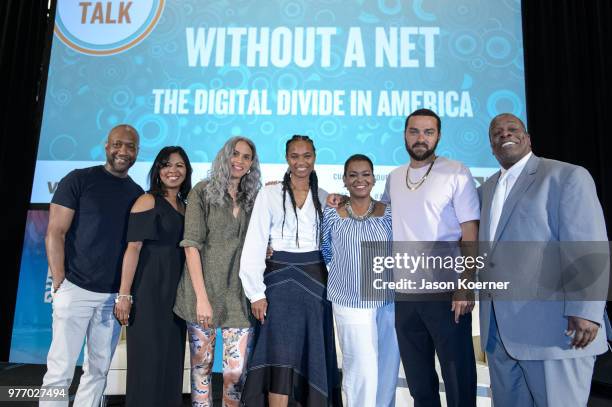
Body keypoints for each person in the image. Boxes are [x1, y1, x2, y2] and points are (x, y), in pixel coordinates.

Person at [330, 109, 479, 406]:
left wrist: (466, 284)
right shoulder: (396, 178)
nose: (420, 138)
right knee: (419, 382)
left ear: (438, 136)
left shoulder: (456, 171)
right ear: (405, 135)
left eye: (428, 132)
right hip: (404, 296)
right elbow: (372, 210)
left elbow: (470, 233)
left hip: (446, 293)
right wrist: (341, 198)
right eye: (414, 131)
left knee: (457, 376)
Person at [478, 113, 611, 407]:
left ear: (527, 139)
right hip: (500, 337)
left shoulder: (565, 176)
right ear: (491, 146)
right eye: (496, 133)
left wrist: (586, 309)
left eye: (512, 129)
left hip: (555, 332)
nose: (504, 134)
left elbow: (586, 244)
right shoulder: (486, 189)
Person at [41, 125, 143, 406]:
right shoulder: (78, 180)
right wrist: (61, 283)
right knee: (59, 371)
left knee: (98, 372)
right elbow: (55, 232)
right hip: (74, 289)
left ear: (137, 152)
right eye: (118, 144)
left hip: (111, 298)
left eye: (131, 146)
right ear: (107, 146)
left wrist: (122, 293)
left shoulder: (137, 193)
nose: (123, 151)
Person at [239, 135, 341, 407]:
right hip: (277, 286)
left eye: (306, 155)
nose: (301, 162)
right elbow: (255, 243)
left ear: (315, 157)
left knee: (313, 355)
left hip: (316, 286)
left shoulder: (324, 197)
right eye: (295, 156)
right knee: (279, 356)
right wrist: (256, 293)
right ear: (287, 158)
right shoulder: (269, 193)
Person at [173, 136, 261, 407]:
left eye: (247, 157)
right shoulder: (202, 191)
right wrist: (201, 298)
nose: (240, 161)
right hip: (202, 294)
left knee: (236, 375)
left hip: (239, 297)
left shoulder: (254, 199)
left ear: (251, 165)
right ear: (225, 156)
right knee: (201, 369)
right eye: (236, 154)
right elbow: (191, 246)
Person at [114, 146, 192, 406]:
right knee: (147, 364)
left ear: (186, 171)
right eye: (167, 165)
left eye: (179, 165)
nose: (173, 170)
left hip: (177, 295)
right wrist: (124, 295)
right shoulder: (147, 201)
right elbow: (133, 249)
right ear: (158, 170)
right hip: (149, 291)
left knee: (171, 363)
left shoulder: (185, 206)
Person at [321, 154, 400, 407]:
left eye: (365, 174)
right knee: (360, 370)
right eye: (353, 175)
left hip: (387, 302)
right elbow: (326, 251)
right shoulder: (332, 213)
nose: (360, 179)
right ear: (344, 180)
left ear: (374, 178)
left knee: (386, 368)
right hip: (350, 301)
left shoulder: (389, 214)